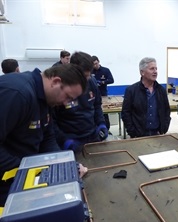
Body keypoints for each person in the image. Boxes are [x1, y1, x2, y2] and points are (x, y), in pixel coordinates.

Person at [0, 64, 88, 206]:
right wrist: (32, 172)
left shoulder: (45, 99)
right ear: (55, 82)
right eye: (67, 97)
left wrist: (65, 166)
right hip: (6, 180)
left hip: (18, 175)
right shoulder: (17, 94)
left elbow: (47, 138)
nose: (66, 103)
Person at [52, 51, 108, 153]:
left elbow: (96, 106)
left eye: (89, 75)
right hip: (71, 139)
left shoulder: (91, 82)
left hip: (92, 136)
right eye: (84, 75)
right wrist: (64, 140)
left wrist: (101, 124)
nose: (87, 79)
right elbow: (52, 122)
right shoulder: (61, 88)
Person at [122, 57, 171, 138]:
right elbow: (125, 113)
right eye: (152, 69)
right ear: (142, 72)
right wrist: (133, 132)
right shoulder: (131, 91)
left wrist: (163, 129)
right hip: (138, 135)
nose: (155, 72)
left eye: (156, 69)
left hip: (157, 134)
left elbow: (166, 111)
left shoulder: (161, 90)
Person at [91, 55, 114, 132]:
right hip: (93, 96)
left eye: (96, 63)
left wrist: (103, 82)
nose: (95, 65)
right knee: (95, 112)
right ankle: (96, 129)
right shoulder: (91, 72)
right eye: (93, 64)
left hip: (103, 94)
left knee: (104, 112)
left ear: (99, 61)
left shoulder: (105, 70)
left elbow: (111, 80)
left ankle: (107, 128)